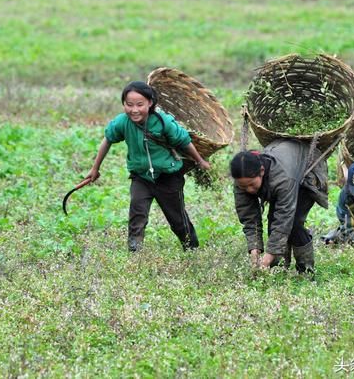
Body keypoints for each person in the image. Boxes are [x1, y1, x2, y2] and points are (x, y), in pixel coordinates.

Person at [85, 81, 210, 252]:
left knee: (177, 218)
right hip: (141, 177)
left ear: (150, 103)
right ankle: (135, 250)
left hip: (168, 177)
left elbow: (184, 141)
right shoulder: (122, 122)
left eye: (139, 105)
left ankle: (191, 248)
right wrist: (95, 168)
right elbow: (108, 139)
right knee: (137, 215)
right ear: (124, 104)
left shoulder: (163, 122)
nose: (134, 110)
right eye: (129, 105)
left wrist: (200, 161)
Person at [230, 140, 328, 273]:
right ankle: (278, 270)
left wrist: (268, 256)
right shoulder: (241, 180)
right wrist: (254, 249)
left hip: (307, 168)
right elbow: (249, 217)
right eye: (243, 186)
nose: (249, 190)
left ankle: (306, 270)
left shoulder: (283, 178)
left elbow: (284, 218)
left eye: (252, 184)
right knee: (273, 221)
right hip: (285, 164)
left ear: (262, 171)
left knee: (293, 224)